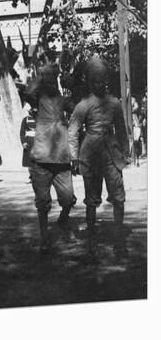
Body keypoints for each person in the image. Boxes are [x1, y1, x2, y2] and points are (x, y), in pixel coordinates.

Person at [68, 56, 130, 259]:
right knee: (91, 200)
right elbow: (73, 132)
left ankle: (119, 243)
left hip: (112, 156)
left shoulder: (114, 103)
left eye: (102, 79)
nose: (99, 83)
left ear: (107, 80)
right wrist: (74, 158)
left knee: (119, 198)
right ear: (89, 81)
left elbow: (121, 129)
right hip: (91, 156)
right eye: (95, 80)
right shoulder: (83, 105)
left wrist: (126, 151)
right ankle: (91, 245)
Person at [24, 64, 76, 254]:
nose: (51, 82)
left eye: (53, 78)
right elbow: (28, 92)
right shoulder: (37, 100)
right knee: (43, 202)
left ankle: (63, 221)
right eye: (48, 79)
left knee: (68, 199)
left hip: (61, 158)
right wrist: (40, 76)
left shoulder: (63, 100)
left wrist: (70, 81)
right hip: (41, 159)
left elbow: (77, 109)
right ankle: (45, 237)